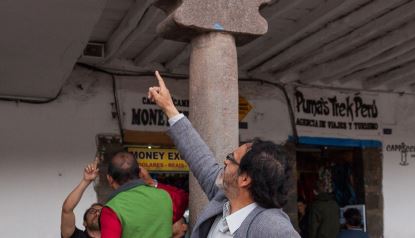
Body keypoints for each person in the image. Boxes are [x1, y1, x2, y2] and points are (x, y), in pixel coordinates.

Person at [148, 71, 301, 238]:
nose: (224, 161)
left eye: (230, 158)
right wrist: (169, 107)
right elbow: (199, 158)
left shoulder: (273, 227)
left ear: (244, 179)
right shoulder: (224, 199)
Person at [100, 151, 173, 238]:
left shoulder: (112, 208)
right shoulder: (164, 196)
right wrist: (151, 181)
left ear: (110, 178)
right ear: (140, 173)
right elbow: (183, 199)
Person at [61, 159, 102, 238]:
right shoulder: (76, 236)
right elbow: (67, 209)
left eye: (101, 212)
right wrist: (86, 181)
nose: (97, 214)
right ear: (84, 222)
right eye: (93, 211)